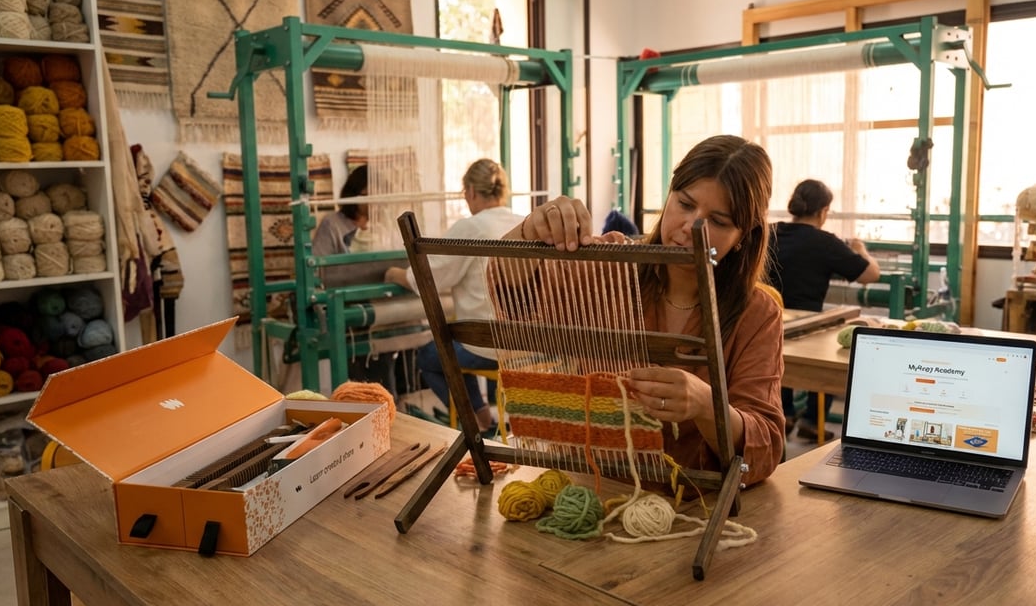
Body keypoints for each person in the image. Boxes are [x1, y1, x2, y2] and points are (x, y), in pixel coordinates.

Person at [503, 134, 785, 488]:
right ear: (669, 196)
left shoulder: (757, 314)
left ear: (744, 235)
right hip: (596, 489)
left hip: (692, 504)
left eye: (719, 220)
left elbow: (765, 446)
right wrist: (531, 230)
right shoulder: (610, 266)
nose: (691, 227)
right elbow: (509, 288)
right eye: (684, 204)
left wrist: (705, 405)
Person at [386, 159, 523, 432]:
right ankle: (483, 417)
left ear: (471, 191)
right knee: (453, 343)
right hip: (525, 342)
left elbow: (427, 278)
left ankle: (476, 420)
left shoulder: (471, 228)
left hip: (489, 345)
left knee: (429, 356)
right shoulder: (522, 222)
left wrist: (393, 274)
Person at [768, 178, 880, 441]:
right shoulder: (824, 241)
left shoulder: (770, 232)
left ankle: (783, 414)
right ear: (823, 211)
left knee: (777, 354)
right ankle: (811, 420)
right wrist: (860, 249)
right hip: (808, 326)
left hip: (768, 321)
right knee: (830, 348)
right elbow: (870, 275)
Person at [311, 165, 398, 394]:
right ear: (355, 194)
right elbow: (317, 268)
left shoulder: (383, 224)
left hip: (382, 309)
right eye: (370, 195)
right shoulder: (333, 225)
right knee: (358, 376)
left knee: (385, 368)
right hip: (349, 312)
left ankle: (389, 410)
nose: (376, 202)